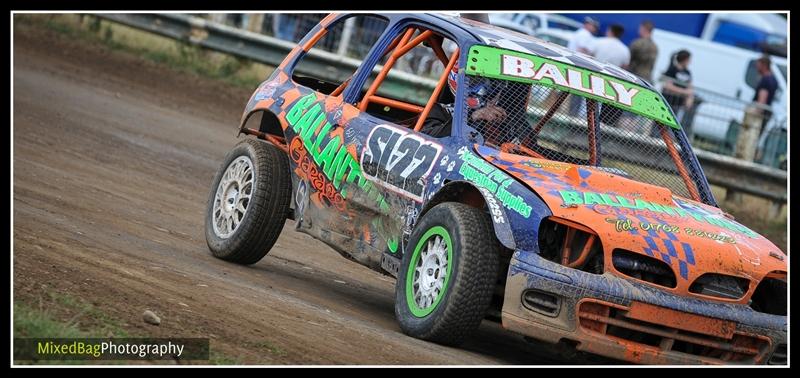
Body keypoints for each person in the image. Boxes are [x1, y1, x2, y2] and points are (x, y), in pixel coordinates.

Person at [660, 50, 695, 135]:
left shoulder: (688, 72)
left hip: (678, 104)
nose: (690, 62)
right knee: (662, 123)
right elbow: (667, 85)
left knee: (673, 125)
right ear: (684, 59)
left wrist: (689, 97)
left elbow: (690, 87)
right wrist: (684, 92)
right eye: (689, 59)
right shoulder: (672, 69)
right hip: (668, 102)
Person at [752, 55, 779, 137]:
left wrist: (755, 114)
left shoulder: (766, 80)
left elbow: (762, 100)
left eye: (758, 65)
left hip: (760, 114)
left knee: (752, 137)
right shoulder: (773, 79)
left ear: (764, 65)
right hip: (766, 113)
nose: (756, 68)